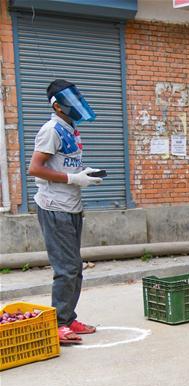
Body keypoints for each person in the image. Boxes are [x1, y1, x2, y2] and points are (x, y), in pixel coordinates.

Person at [27, 79, 103, 345]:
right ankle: (59, 323)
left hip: (71, 207)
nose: (76, 104)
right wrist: (73, 179)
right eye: (69, 100)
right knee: (66, 268)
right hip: (54, 206)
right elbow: (35, 168)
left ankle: (69, 318)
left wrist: (84, 174)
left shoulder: (71, 128)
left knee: (75, 268)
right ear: (57, 105)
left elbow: (65, 165)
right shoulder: (51, 130)